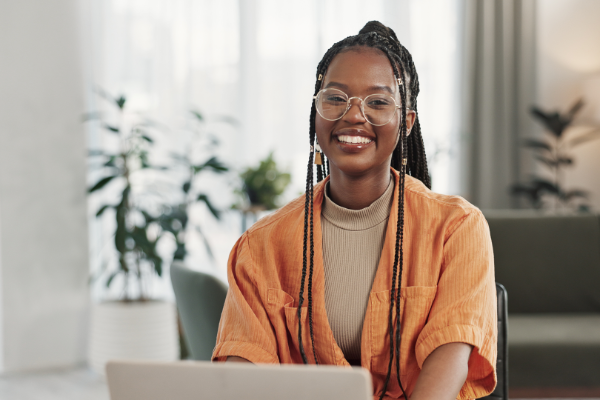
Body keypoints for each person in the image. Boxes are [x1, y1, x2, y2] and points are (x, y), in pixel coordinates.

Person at [212, 21, 497, 400]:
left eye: (377, 102)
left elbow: (449, 357)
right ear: (316, 112)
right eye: (335, 98)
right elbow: (243, 372)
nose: (353, 116)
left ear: (405, 122)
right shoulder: (260, 245)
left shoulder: (457, 229)